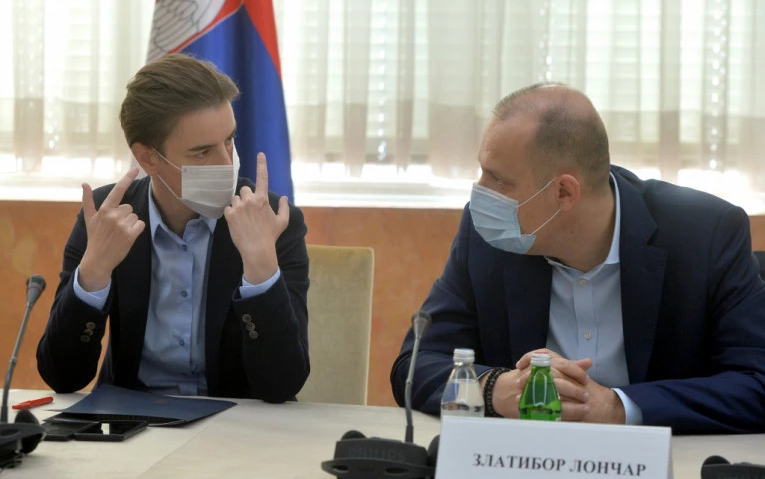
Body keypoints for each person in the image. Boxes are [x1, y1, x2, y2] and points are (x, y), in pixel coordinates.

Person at [390, 82, 765, 433]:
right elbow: (417, 364)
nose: (480, 193)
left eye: (498, 180)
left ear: (565, 193)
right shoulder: (487, 239)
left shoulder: (705, 234)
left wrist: (618, 408)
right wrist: (496, 389)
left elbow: (756, 382)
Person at [37, 54, 310, 402]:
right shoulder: (106, 217)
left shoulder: (271, 220)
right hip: (131, 420)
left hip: (236, 422)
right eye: (202, 152)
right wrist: (93, 272)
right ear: (149, 158)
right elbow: (63, 376)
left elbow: (283, 385)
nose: (226, 163)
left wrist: (260, 269)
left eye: (229, 140)